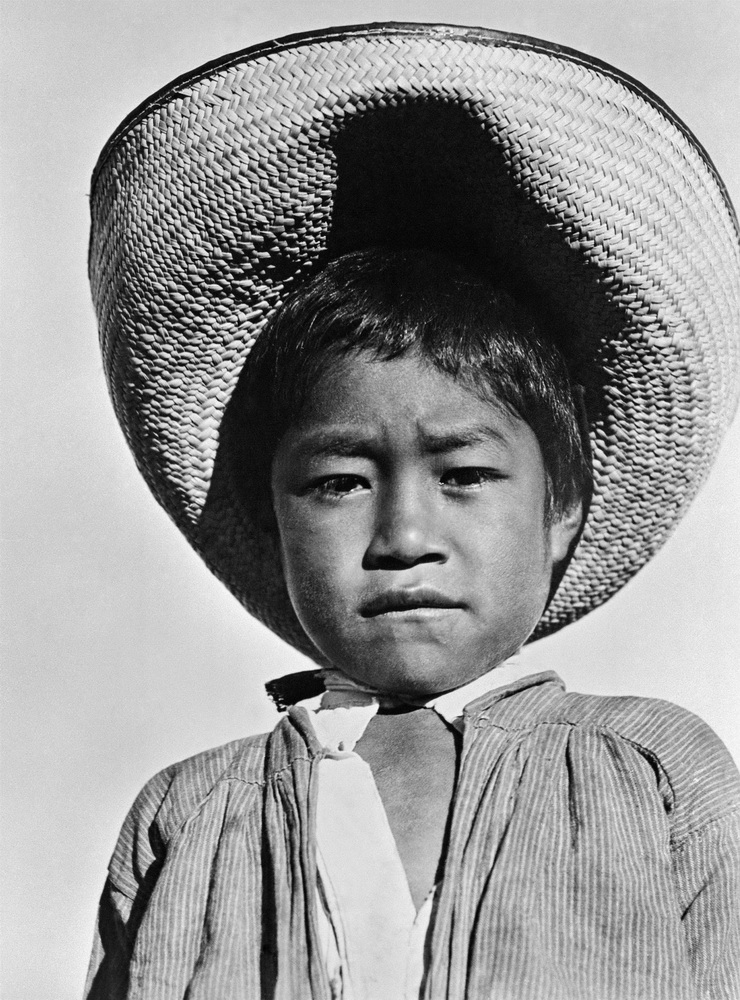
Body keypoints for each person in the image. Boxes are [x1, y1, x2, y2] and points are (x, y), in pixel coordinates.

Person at [84, 23, 740, 1000]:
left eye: (464, 475)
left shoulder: (650, 770)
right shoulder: (184, 815)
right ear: (270, 515)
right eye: (339, 481)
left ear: (559, 508)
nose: (400, 537)